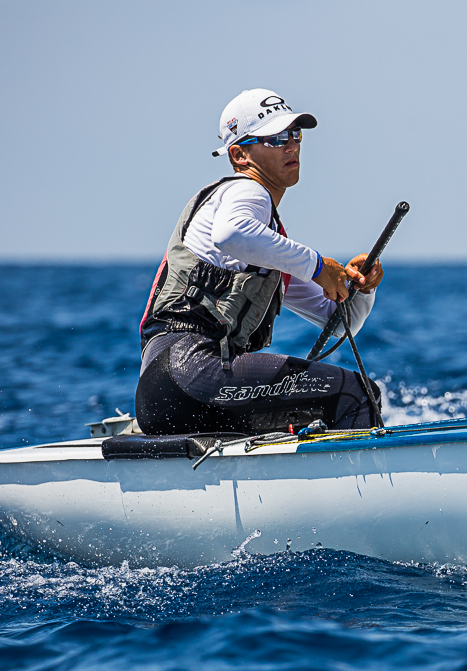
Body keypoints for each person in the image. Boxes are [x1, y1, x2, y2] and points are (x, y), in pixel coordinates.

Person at [135, 88, 384, 436]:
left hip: (168, 392)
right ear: (239, 154)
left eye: (295, 134)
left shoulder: (266, 247)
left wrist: (361, 287)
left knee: (307, 416)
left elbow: (340, 324)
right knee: (356, 395)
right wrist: (317, 266)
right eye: (276, 138)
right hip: (192, 372)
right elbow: (231, 233)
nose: (292, 145)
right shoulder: (245, 191)